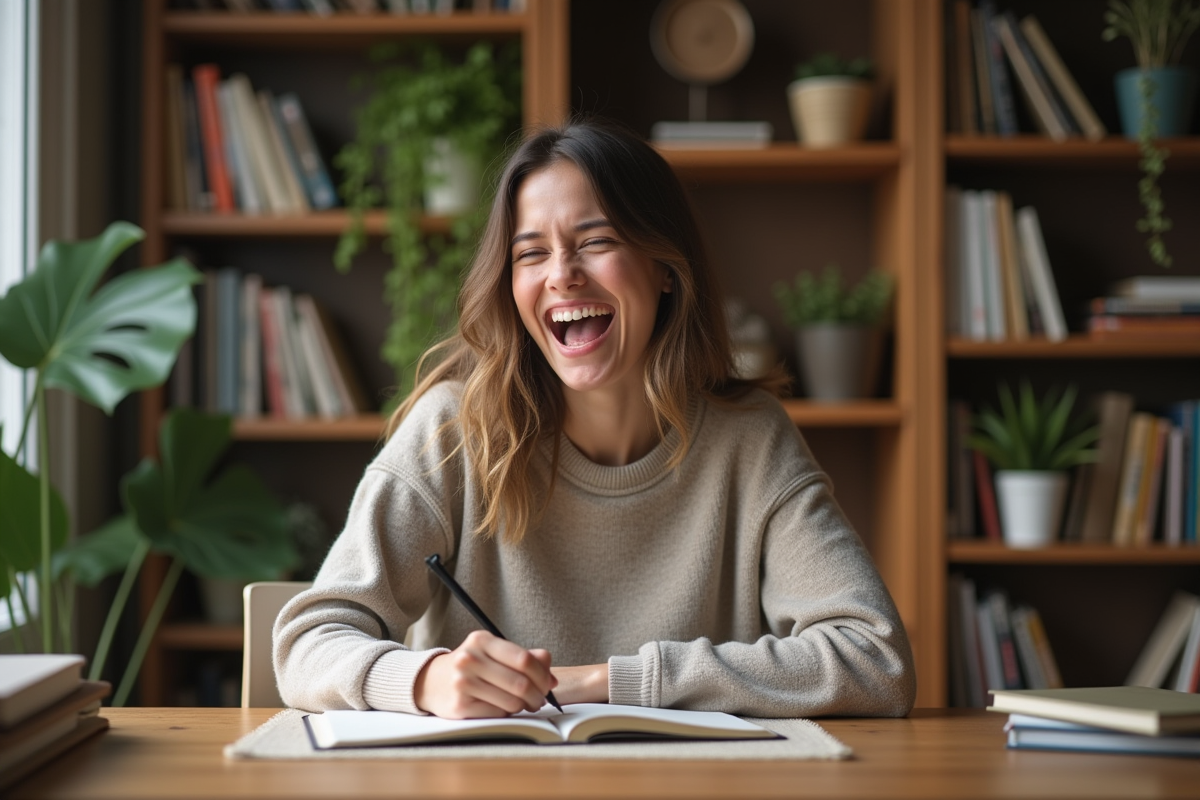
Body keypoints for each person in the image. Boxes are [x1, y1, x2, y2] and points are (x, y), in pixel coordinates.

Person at [274, 119, 916, 720]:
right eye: (531, 254)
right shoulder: (453, 430)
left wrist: (611, 683)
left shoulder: (749, 436)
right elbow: (307, 642)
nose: (561, 275)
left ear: (666, 268)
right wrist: (425, 680)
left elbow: (876, 660)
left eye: (597, 242)